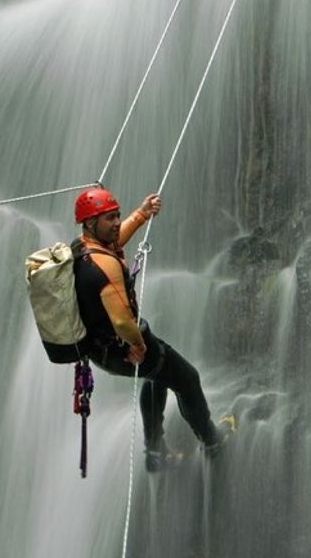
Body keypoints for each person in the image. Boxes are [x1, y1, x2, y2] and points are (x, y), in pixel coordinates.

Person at [72, 186, 232, 472]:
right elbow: (122, 322)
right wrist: (138, 345)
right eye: (109, 218)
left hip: (99, 348)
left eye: (117, 216)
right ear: (89, 223)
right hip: (121, 347)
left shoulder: (83, 249)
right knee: (187, 379)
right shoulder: (105, 266)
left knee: (158, 373)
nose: (117, 222)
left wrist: (141, 215)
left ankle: (155, 451)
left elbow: (114, 242)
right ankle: (212, 441)